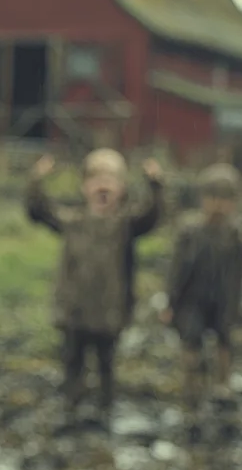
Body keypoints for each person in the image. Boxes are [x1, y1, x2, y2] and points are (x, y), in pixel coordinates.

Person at [27, 148, 164, 426]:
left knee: (106, 363)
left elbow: (152, 216)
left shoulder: (125, 223)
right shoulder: (72, 221)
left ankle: (105, 409)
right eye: (95, 178)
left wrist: (156, 185)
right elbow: (39, 211)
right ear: (84, 186)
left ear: (122, 187)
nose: (103, 184)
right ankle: (71, 407)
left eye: (111, 178)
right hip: (73, 310)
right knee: (72, 361)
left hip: (109, 310)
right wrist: (36, 181)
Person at [161, 163, 242, 434]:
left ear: (234, 203)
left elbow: (241, 274)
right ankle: (191, 393)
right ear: (202, 199)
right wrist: (170, 303)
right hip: (192, 300)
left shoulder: (237, 236)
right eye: (213, 198)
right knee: (191, 344)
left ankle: (223, 386)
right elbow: (177, 270)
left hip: (224, 299)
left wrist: (238, 306)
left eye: (225, 199)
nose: (218, 206)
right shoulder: (190, 232)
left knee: (225, 342)